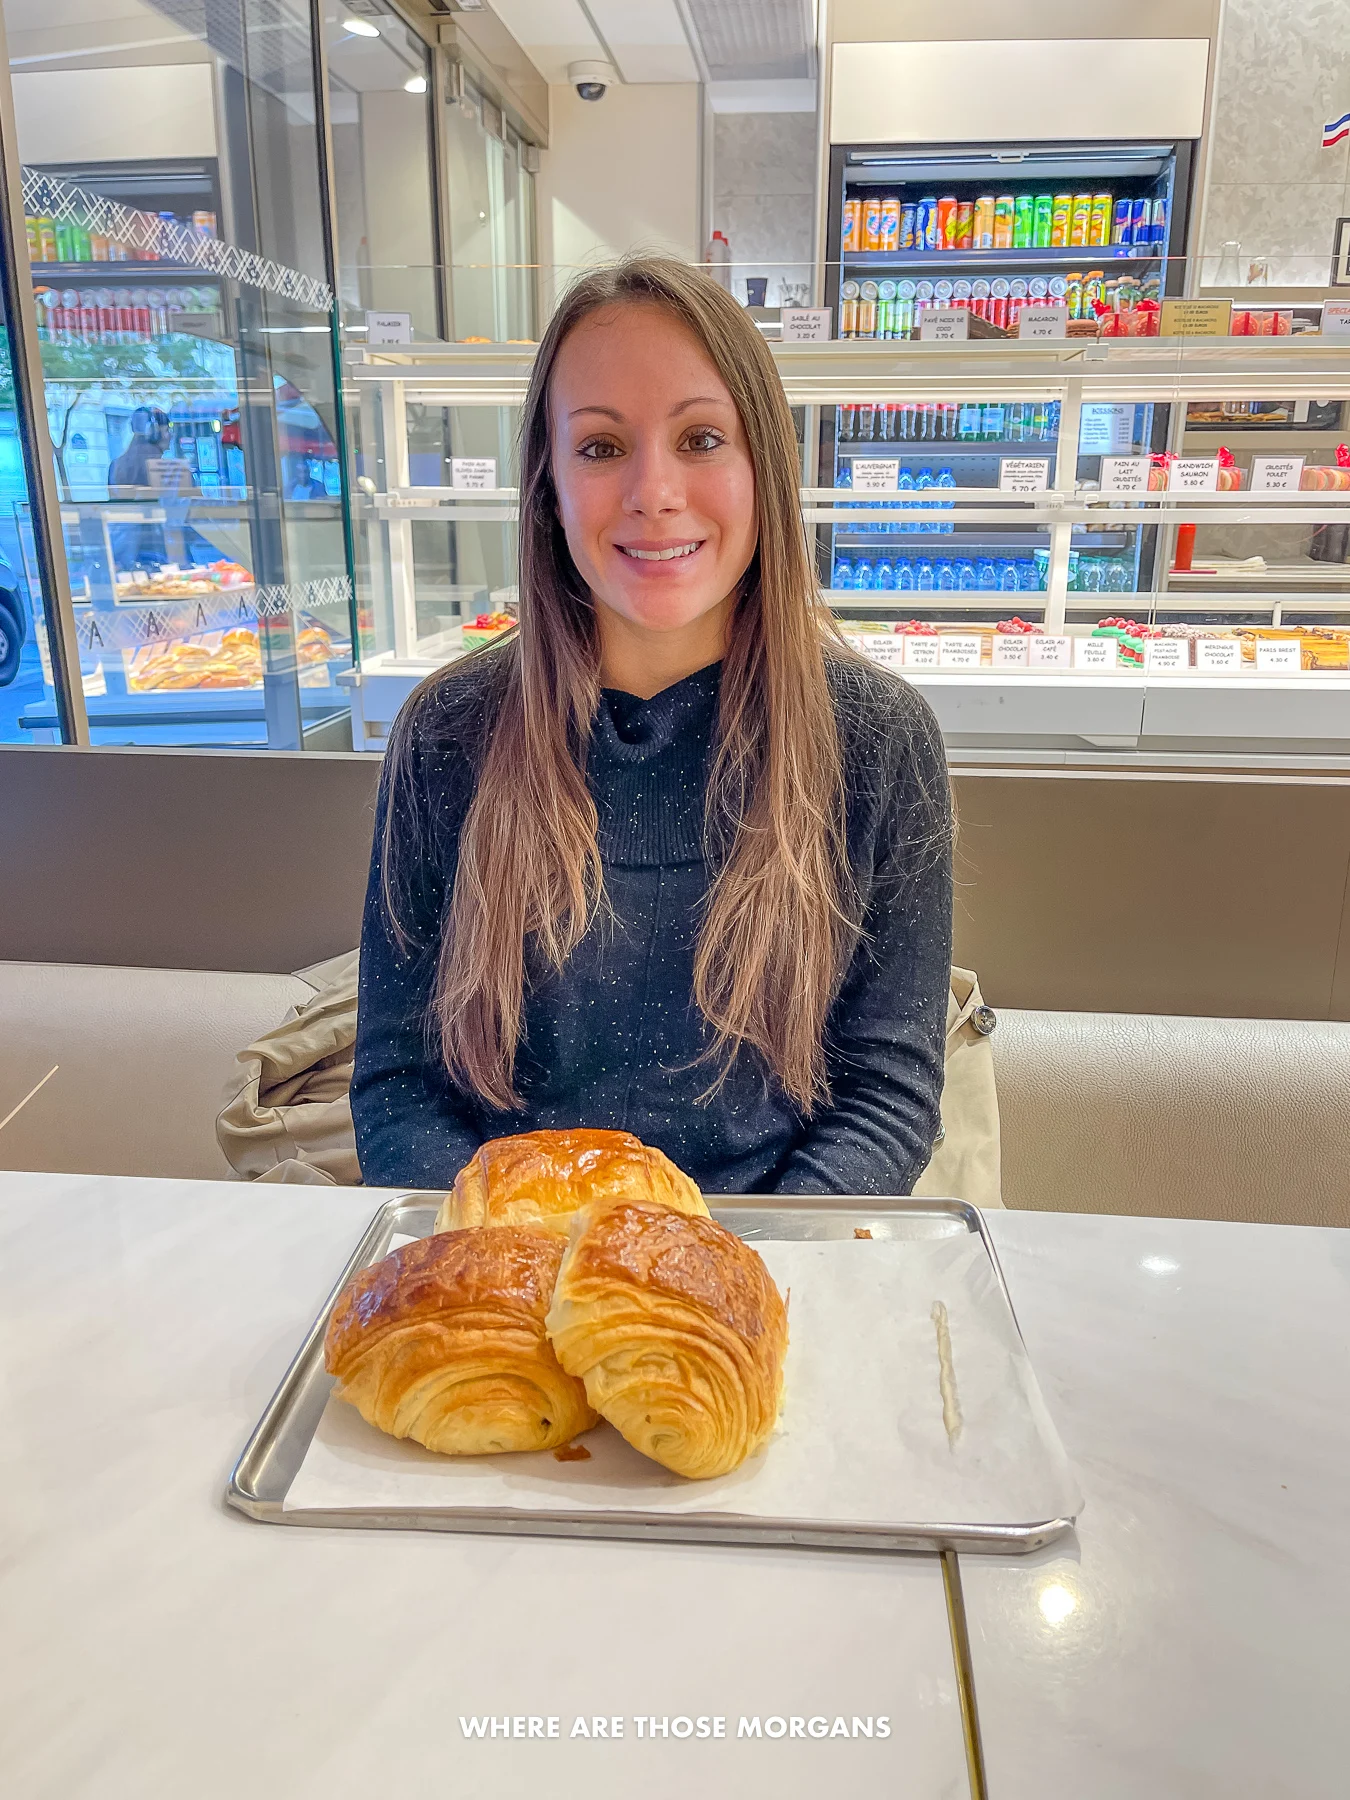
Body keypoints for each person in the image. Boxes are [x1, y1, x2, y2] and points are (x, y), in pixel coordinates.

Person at [353, 256, 952, 1196]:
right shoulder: (447, 734)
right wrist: (533, 1272)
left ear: (766, 466)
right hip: (515, 1275)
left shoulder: (879, 740)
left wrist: (722, 1280)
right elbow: (397, 1090)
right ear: (548, 482)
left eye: (702, 437)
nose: (654, 491)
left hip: (771, 1271)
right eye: (599, 447)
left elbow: (887, 1097)